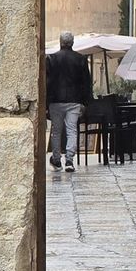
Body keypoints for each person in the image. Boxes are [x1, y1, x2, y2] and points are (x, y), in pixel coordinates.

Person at [46, 31, 93, 172]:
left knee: (56, 131)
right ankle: (69, 160)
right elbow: (86, 82)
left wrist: (46, 103)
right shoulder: (80, 59)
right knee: (72, 130)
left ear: (60, 42)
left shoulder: (51, 59)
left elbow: (47, 82)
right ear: (72, 43)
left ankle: (56, 159)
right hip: (74, 100)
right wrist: (86, 102)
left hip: (55, 100)